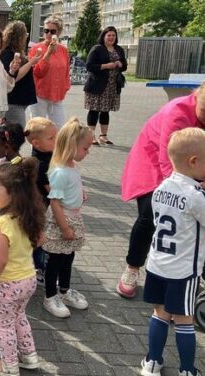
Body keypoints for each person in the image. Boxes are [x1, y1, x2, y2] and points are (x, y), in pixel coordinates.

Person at [117, 82, 205, 299]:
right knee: (150, 214)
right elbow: (168, 162)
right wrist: (188, 189)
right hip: (154, 161)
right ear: (198, 96)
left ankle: (193, 272)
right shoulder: (177, 113)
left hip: (195, 165)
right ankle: (132, 267)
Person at [139, 127, 205, 376]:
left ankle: (153, 362)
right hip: (183, 270)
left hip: (157, 264)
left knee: (160, 313)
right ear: (194, 161)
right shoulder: (195, 196)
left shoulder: (162, 187)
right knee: (184, 320)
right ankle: (187, 370)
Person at [0, 156, 45, 376]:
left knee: (4, 326)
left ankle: (7, 366)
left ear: (13, 194)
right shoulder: (27, 217)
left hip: (5, 285)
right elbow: (41, 241)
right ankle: (29, 357)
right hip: (27, 280)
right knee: (19, 318)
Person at [42, 118, 93, 318]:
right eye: (85, 148)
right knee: (55, 260)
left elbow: (70, 188)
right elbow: (55, 202)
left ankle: (64, 290)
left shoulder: (71, 166)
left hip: (72, 218)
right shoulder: (61, 172)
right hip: (62, 221)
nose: (87, 152)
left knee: (68, 256)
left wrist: (80, 193)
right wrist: (64, 228)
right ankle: (50, 295)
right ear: (72, 146)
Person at [25, 117, 59, 286]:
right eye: (51, 138)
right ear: (37, 143)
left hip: (43, 206)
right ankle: (37, 267)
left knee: (41, 236)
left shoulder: (47, 154)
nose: (56, 140)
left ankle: (39, 263)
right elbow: (49, 187)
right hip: (40, 207)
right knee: (39, 237)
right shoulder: (41, 162)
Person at [84, 26, 127, 146]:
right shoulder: (97, 49)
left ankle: (103, 136)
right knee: (94, 110)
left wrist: (120, 64)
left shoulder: (119, 49)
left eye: (113, 35)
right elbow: (89, 66)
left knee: (105, 111)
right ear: (103, 36)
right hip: (97, 85)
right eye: (109, 35)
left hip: (112, 86)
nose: (111, 37)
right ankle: (91, 135)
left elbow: (125, 66)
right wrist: (106, 66)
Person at [29, 17, 71, 127]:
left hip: (57, 95)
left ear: (59, 33)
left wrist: (65, 87)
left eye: (52, 31)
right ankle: (37, 145)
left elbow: (66, 72)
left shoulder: (63, 50)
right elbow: (38, 72)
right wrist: (48, 53)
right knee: (38, 128)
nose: (48, 34)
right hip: (39, 95)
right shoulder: (35, 49)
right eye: (46, 30)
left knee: (59, 128)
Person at [0, 21, 41, 127]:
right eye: (25, 34)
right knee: (16, 134)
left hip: (18, 102)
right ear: (19, 37)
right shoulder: (8, 54)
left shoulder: (13, 53)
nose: (26, 37)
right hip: (13, 102)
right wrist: (31, 63)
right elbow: (14, 77)